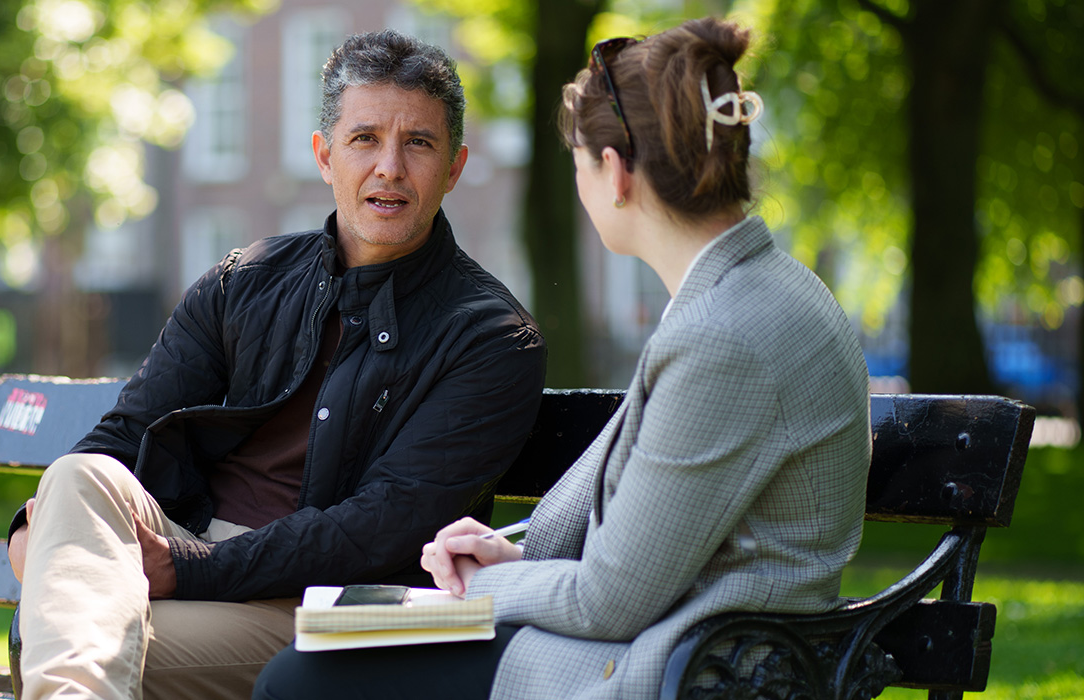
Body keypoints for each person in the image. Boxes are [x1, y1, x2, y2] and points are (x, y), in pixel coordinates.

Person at [252, 16, 871, 700]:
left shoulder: (725, 334)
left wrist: (486, 583)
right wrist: (515, 555)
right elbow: (650, 540)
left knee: (301, 681)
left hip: (684, 669)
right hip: (692, 643)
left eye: (577, 161)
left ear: (614, 172)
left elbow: (612, 600)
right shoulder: (755, 291)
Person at [6, 29, 547, 700]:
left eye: (419, 143)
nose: (389, 168)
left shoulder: (490, 338)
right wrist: (35, 531)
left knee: (72, 637)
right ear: (324, 155)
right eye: (364, 139)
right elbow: (124, 436)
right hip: (183, 552)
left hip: (320, 606)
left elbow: (379, 531)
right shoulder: (248, 280)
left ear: (455, 166)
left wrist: (187, 568)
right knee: (79, 476)